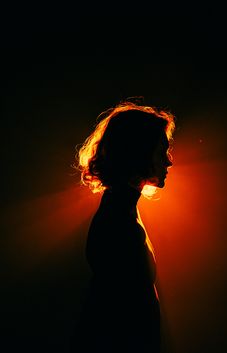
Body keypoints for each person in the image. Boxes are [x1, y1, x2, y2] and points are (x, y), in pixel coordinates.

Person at [70, 99, 175, 353]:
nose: (168, 161)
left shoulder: (122, 211)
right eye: (161, 150)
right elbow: (121, 315)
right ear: (138, 151)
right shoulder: (118, 220)